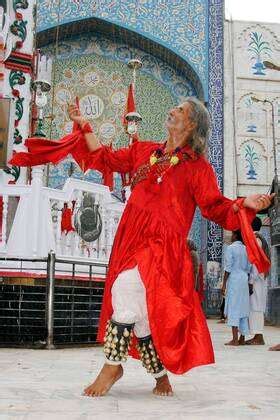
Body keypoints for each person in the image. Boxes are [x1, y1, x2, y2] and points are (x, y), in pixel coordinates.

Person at [20, 97, 271, 398]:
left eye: (180, 110)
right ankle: (160, 376)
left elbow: (214, 206)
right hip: (131, 236)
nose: (173, 109)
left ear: (191, 125)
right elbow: (105, 158)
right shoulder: (144, 151)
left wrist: (243, 203)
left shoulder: (198, 168)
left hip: (163, 245)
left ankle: (113, 364)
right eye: (174, 105)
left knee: (126, 289)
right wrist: (84, 126)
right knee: (141, 313)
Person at [222, 230, 252, 346]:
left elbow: (228, 267)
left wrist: (224, 284)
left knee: (234, 307)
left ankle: (235, 339)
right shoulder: (246, 249)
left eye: (232, 234)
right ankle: (242, 338)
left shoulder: (231, 248)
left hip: (234, 279)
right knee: (243, 308)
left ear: (235, 236)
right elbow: (249, 267)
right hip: (244, 279)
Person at [245, 217, 270, 345]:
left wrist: (250, 281)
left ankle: (258, 336)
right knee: (257, 306)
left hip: (256, 279)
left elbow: (255, 262)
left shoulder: (256, 240)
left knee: (256, 307)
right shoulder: (260, 238)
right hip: (260, 278)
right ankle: (257, 335)